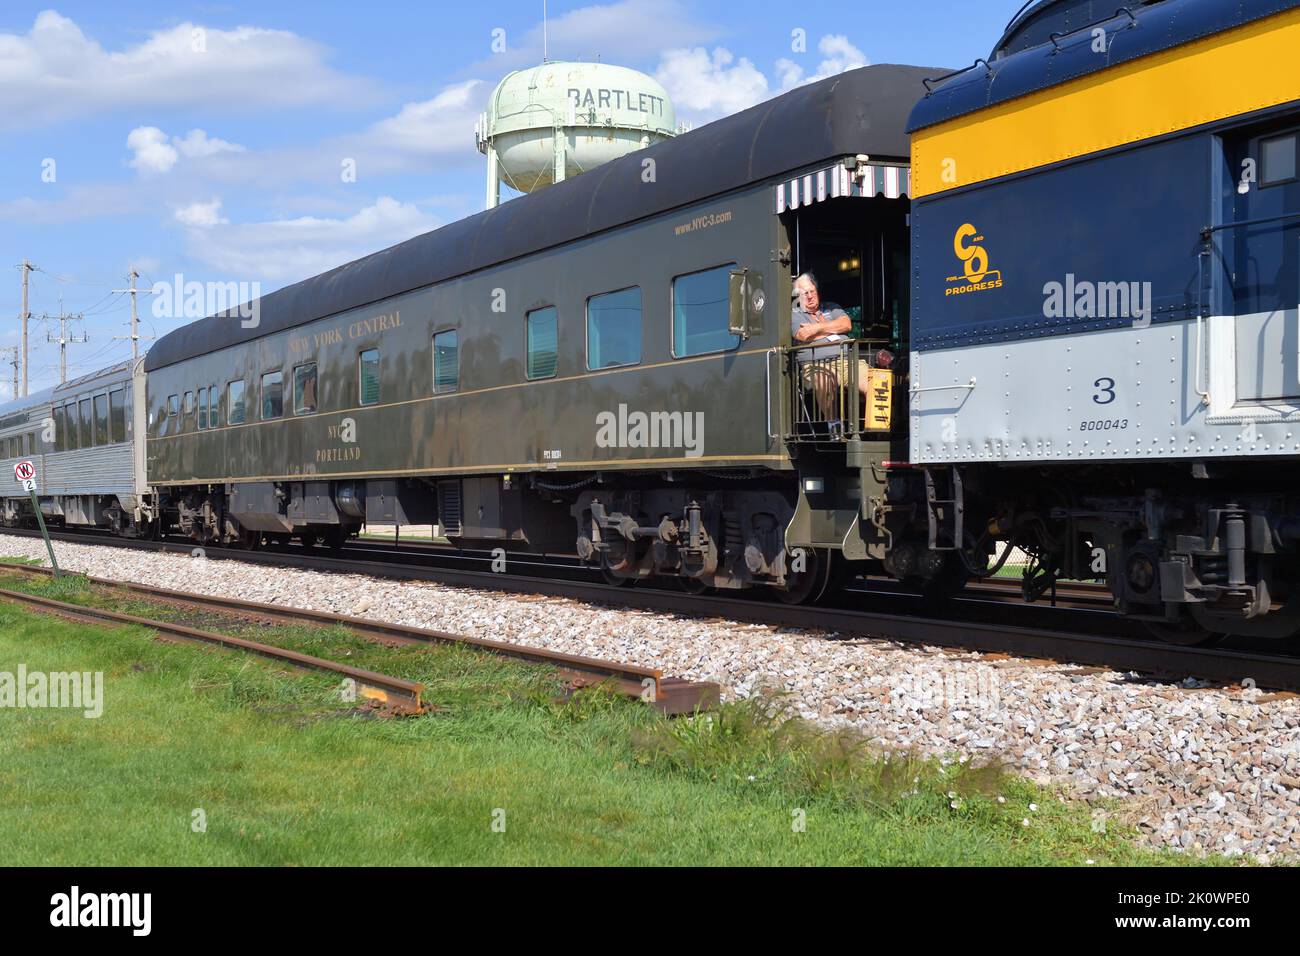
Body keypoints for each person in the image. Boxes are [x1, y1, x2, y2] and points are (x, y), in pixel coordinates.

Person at [790, 272, 871, 431]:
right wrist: (833, 329)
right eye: (805, 293)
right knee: (824, 382)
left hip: (848, 361)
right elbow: (803, 335)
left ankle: (876, 429)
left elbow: (847, 325)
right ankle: (834, 427)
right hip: (816, 365)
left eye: (812, 291)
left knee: (876, 382)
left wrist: (816, 328)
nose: (810, 296)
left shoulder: (831, 307)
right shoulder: (794, 314)